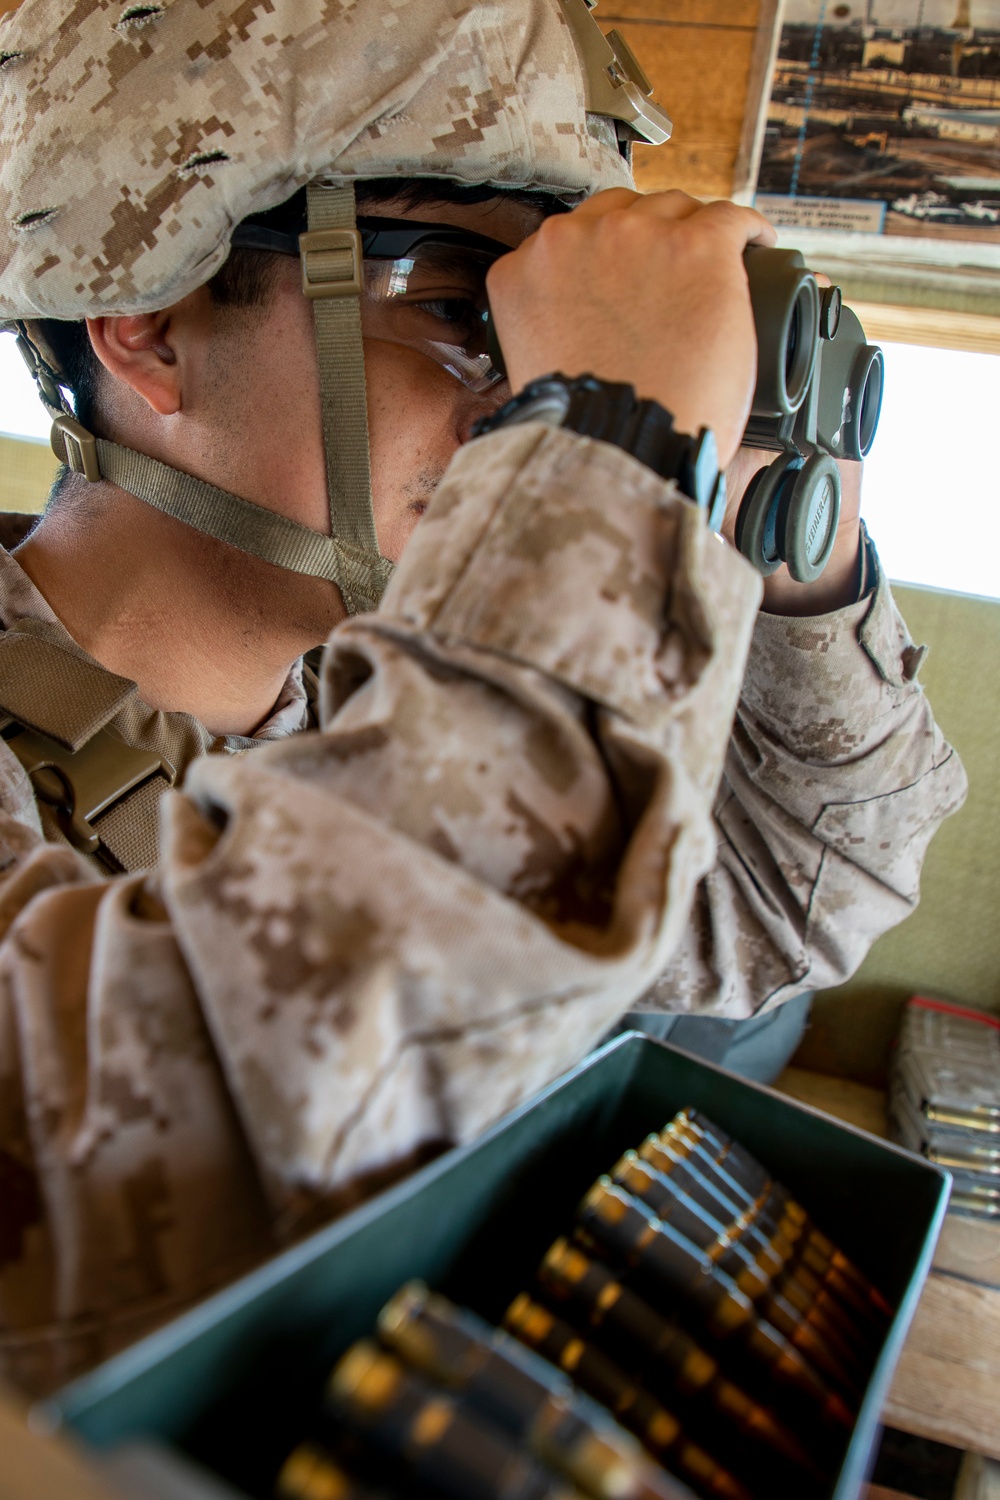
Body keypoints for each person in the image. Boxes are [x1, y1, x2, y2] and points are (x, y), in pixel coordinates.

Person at [0, 0, 964, 1398]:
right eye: (465, 310)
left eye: (549, 333)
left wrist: (787, 545)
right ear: (147, 324)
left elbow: (791, 893)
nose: (522, 403)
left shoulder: (384, 708)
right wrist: (609, 452)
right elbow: (110, 1163)